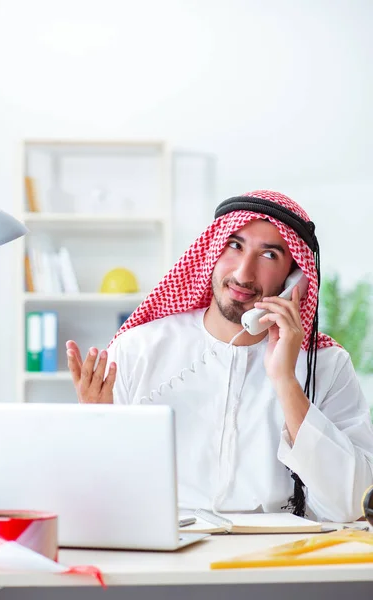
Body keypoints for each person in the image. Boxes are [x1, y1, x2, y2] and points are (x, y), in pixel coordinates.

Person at [67, 190, 373, 522]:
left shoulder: (326, 365)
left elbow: (352, 504)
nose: (243, 273)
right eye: (235, 246)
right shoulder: (137, 349)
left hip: (279, 556)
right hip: (166, 549)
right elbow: (95, 493)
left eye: (269, 255)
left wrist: (286, 382)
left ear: (294, 279)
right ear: (213, 249)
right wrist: (96, 425)